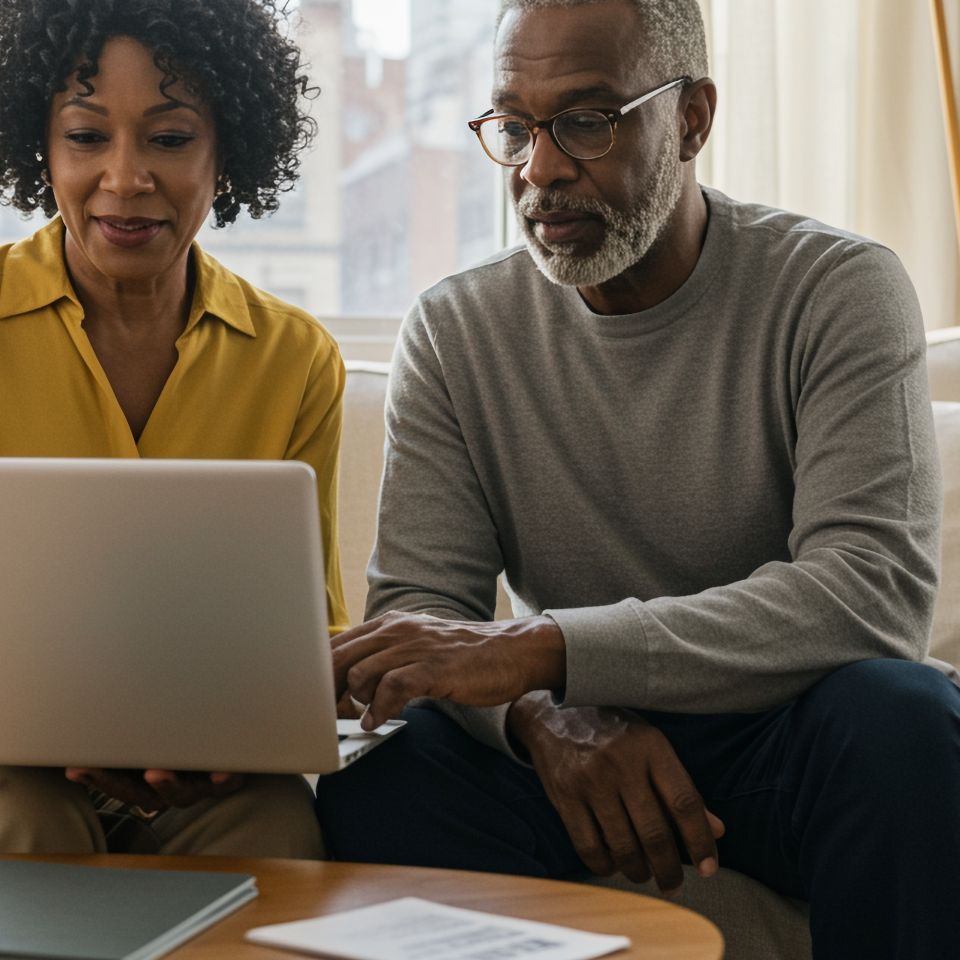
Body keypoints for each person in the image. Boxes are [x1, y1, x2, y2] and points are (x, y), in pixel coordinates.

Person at [317, 0, 960, 956]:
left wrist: (544, 652)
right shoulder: (456, 333)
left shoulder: (837, 290)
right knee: (385, 779)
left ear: (692, 117)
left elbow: (868, 596)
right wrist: (543, 715)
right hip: (564, 741)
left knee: (908, 726)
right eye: (514, 126)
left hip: (776, 734)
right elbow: (419, 613)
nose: (539, 171)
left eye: (585, 122)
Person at [0, 0, 347, 857]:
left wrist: (239, 742)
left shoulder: (294, 358)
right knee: (31, 828)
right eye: (85, 137)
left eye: (168, 138)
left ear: (226, 152)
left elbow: (315, 631)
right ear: (38, 149)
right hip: (11, 769)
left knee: (276, 831)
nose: (124, 179)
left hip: (212, 775)